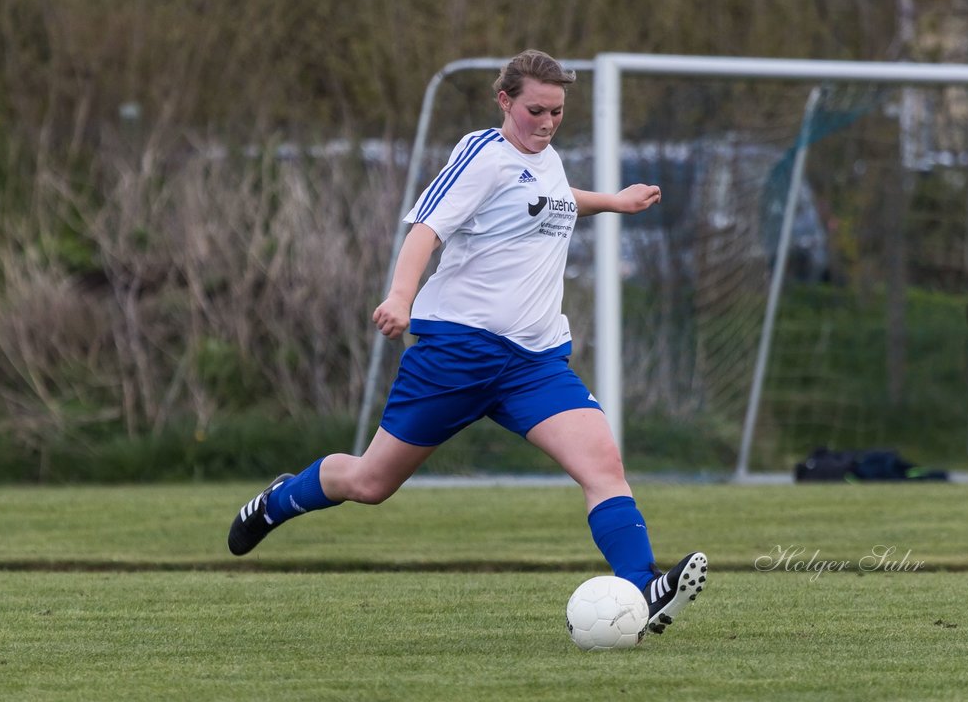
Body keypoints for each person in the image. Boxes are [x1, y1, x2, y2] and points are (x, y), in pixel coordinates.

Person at [228, 49, 707, 636]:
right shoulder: (481, 154)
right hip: (456, 352)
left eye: (557, 111)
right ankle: (278, 501)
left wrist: (613, 201)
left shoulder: (547, 159)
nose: (548, 122)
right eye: (536, 110)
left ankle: (642, 587)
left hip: (534, 362)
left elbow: (554, 199)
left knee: (604, 466)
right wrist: (400, 298)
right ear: (505, 101)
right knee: (371, 483)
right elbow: (426, 227)